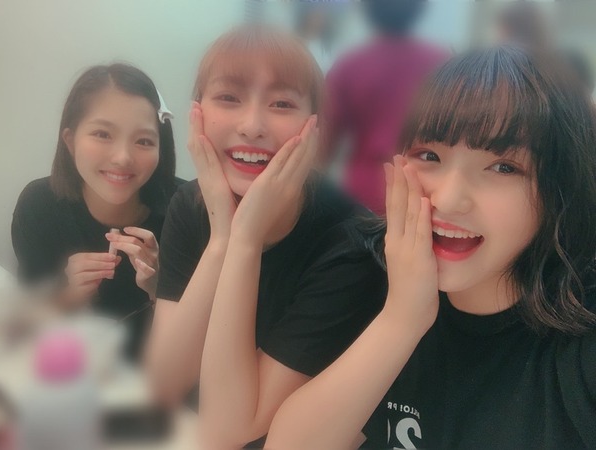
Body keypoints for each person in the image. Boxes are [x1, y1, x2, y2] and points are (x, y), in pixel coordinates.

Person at [265, 46, 596, 450]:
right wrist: (402, 320)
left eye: (503, 167)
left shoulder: (579, 342)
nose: (449, 200)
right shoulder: (373, 276)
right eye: (430, 155)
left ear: (558, 190)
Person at [146, 25, 386, 448]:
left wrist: (245, 239)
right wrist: (221, 240)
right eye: (228, 97)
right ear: (197, 111)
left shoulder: (351, 242)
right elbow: (163, 384)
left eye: (281, 103)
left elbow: (231, 430)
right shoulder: (190, 205)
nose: (252, 126)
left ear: (315, 126)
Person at [11, 63, 178, 358]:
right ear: (70, 140)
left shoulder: (184, 211)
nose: (122, 158)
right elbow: (25, 328)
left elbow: (196, 348)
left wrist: (159, 289)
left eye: (143, 141)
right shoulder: (39, 206)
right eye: (102, 134)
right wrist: (69, 296)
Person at [322, 0, 447, 215]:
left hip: (364, 190)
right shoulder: (442, 63)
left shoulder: (350, 65)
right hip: (425, 188)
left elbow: (324, 144)